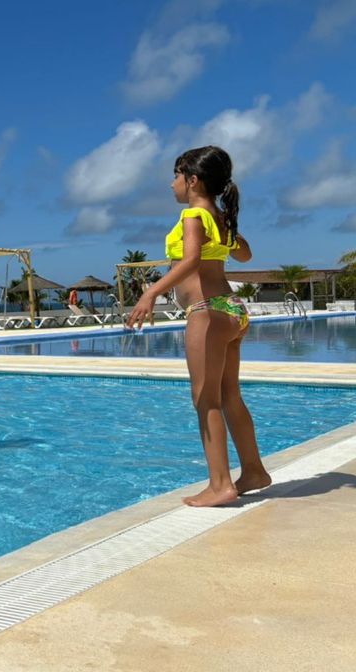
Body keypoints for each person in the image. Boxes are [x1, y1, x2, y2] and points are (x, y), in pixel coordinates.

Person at [125, 145, 271, 507]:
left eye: (176, 176)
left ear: (192, 180)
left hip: (207, 312)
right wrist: (228, 230)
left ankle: (220, 485)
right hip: (232, 310)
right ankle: (253, 470)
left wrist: (151, 293)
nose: (172, 183)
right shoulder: (219, 217)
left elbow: (190, 260)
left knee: (206, 399)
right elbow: (245, 255)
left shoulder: (192, 216)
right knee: (230, 395)